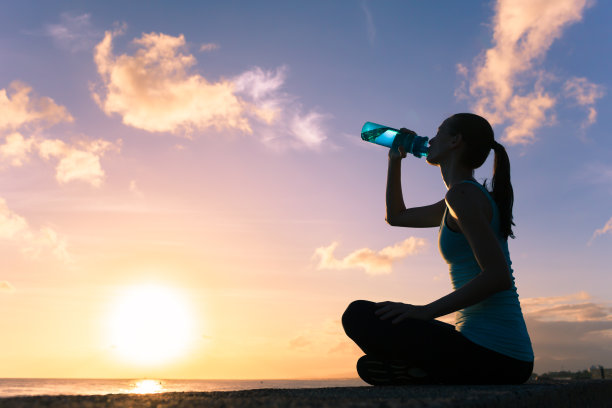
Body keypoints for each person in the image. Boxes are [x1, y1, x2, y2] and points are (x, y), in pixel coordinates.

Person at [342, 113, 534, 385]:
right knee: (366, 317)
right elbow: (396, 216)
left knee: (359, 315)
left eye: (438, 133)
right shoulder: (458, 199)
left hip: (497, 355)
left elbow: (497, 276)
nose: (430, 140)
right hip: (494, 354)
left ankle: (425, 370)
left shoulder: (462, 196)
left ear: (455, 141)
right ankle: (423, 371)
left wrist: (424, 311)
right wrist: (394, 161)